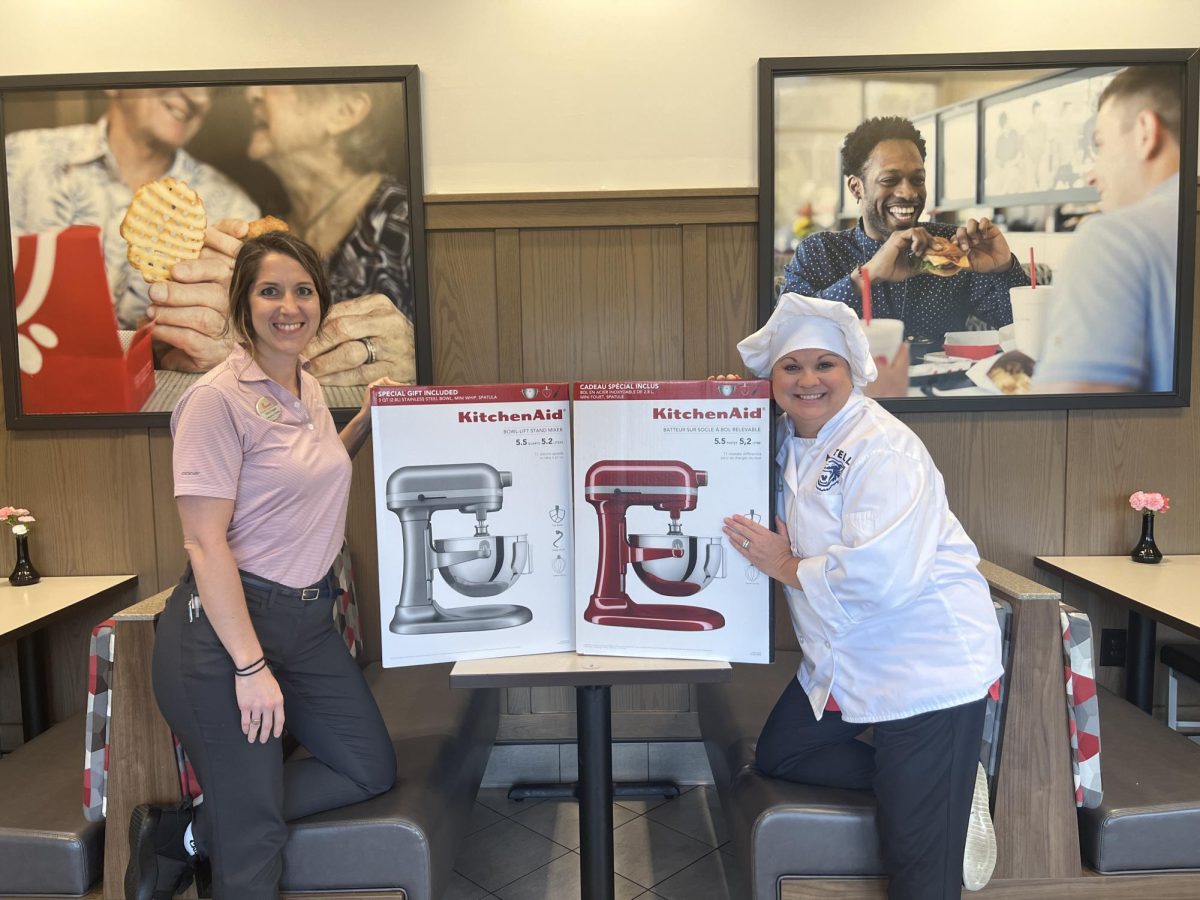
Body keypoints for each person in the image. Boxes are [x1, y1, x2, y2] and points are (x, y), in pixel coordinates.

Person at [125, 232, 397, 900]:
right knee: (255, 843)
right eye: (270, 290)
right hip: (223, 636)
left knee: (369, 769)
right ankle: (230, 823)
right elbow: (204, 544)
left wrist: (363, 421)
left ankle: (187, 831)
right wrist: (250, 667)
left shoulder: (304, 383)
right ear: (243, 304)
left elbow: (305, 477)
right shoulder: (214, 401)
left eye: (303, 290)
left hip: (304, 623)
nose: (289, 306)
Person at [720, 293, 1003, 898]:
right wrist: (723, 402)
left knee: (916, 871)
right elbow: (721, 444)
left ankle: (936, 792)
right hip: (846, 659)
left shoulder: (883, 447)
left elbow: (884, 575)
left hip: (922, 665)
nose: (808, 380)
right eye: (791, 367)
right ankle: (948, 785)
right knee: (783, 755)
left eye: (826, 365)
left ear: (852, 371)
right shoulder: (787, 439)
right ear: (772, 381)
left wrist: (787, 565)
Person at [146, 82, 416, 385]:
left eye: (277, 84)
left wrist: (415, 358)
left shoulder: (404, 219)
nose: (252, 94)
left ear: (345, 112)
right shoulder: (259, 221)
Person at [4, 88, 259, 331]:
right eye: (176, 69)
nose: (199, 97)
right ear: (113, 85)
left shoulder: (233, 208)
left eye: (210, 89)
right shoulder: (19, 159)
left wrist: (227, 318)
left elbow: (251, 333)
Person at [782, 116, 1028, 350]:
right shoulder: (820, 252)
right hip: (851, 393)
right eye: (890, 180)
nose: (909, 193)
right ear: (857, 187)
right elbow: (784, 337)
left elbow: (1026, 333)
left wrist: (1004, 269)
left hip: (942, 390)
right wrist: (866, 277)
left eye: (917, 180)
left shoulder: (954, 248)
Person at [1034, 66, 1181, 393]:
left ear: (1145, 132)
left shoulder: (1113, 240)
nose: (1090, 175)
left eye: (1100, 144)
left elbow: (1068, 419)